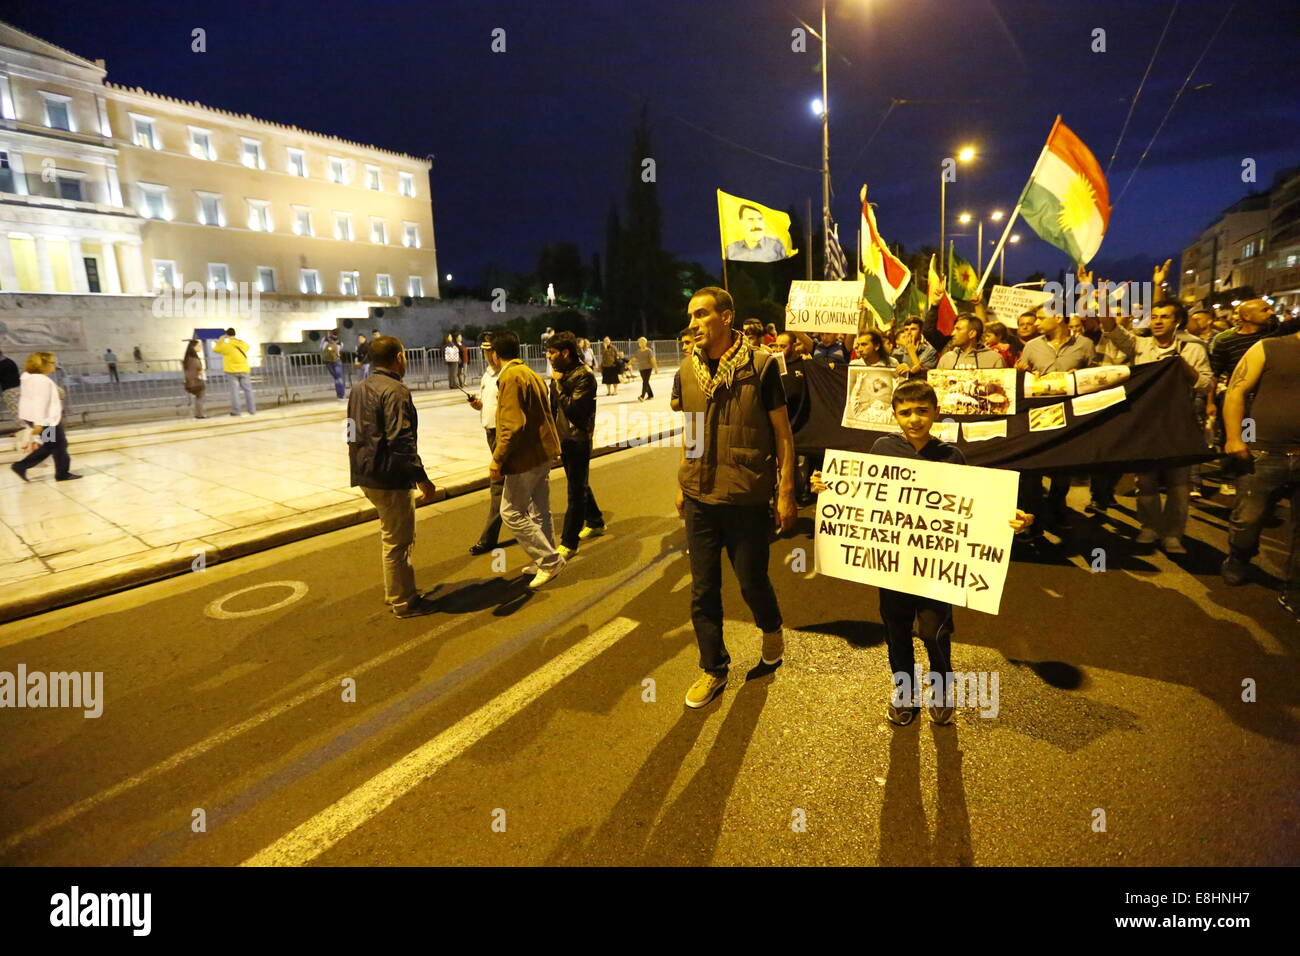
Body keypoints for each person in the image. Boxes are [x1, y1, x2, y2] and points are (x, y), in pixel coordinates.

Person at [810, 380, 1033, 725]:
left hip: (934, 570)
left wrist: (1011, 521)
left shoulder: (950, 455)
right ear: (895, 415)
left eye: (922, 411)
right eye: (906, 412)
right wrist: (829, 486)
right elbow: (862, 494)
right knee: (896, 632)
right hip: (892, 568)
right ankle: (904, 691)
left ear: (935, 413)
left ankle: (942, 691)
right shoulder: (882, 448)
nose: (914, 419)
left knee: (934, 632)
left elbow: (970, 509)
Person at [677, 286, 797, 710]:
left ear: (726, 317)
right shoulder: (686, 371)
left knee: (751, 581)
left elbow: (783, 434)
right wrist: (683, 482)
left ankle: (771, 628)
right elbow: (692, 428)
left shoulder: (762, 366)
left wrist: (786, 492)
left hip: (746, 496)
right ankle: (713, 668)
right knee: (703, 589)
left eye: (702, 314)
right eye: (692, 315)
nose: (694, 323)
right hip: (699, 496)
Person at [1099, 300, 1211, 553]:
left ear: (1177, 322)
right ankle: (1148, 527)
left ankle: (1173, 535)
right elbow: (1111, 329)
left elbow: (1206, 384)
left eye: (1164, 317)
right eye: (1154, 316)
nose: (1157, 321)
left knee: (1178, 484)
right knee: (1146, 482)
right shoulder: (1139, 345)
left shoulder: (1193, 349)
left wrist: (1183, 367)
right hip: (1146, 424)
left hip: (1178, 424)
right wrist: (1101, 300)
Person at [347, 334, 438, 618]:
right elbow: (401, 440)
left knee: (392, 535)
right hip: (390, 476)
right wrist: (422, 477)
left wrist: (359, 463)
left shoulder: (359, 388)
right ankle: (402, 601)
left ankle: (400, 592)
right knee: (398, 540)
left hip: (366, 473)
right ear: (399, 357)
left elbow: (351, 431)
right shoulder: (396, 391)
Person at [1220, 320, 1300, 620]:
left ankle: (1293, 588)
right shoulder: (1269, 347)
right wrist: (1233, 437)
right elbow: (1235, 391)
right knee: (1248, 519)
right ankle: (1239, 557)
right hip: (1265, 453)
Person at [491, 330, 565, 588]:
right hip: (543, 452)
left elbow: (511, 425)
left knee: (510, 511)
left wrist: (497, 459)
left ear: (494, 355)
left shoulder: (510, 376)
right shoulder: (530, 373)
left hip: (527, 456)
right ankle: (544, 558)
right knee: (539, 509)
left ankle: (549, 560)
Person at [1016, 304, 1095, 534]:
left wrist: (1078, 377)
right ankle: (1034, 517)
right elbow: (1021, 381)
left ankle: (1057, 506)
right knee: (1033, 470)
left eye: (1041, 318)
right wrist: (1023, 373)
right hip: (1038, 416)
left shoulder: (1085, 345)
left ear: (1059, 317)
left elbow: (1095, 377)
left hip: (1070, 418)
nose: (1037, 323)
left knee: (1063, 469)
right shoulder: (1032, 346)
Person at [547, 332, 605, 558]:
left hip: (578, 438)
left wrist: (560, 383)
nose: (548, 356)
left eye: (552, 352)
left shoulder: (584, 375)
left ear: (565, 352)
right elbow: (553, 407)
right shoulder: (561, 374)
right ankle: (596, 520)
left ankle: (569, 542)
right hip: (562, 437)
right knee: (578, 483)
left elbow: (576, 411)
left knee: (575, 491)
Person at [11, 351, 80, 482]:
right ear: (43, 365)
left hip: (39, 417)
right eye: (53, 363)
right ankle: (23, 466)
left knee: (54, 445)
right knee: (57, 445)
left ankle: (60, 473)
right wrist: (39, 423)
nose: (55, 365)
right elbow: (39, 402)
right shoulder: (41, 381)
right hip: (45, 419)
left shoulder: (29, 377)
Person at [468, 335, 506, 556]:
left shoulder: (506, 374)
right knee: (513, 487)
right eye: (485, 352)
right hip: (490, 433)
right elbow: (487, 404)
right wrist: (478, 404)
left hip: (503, 435)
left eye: (491, 351)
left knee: (499, 485)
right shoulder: (487, 374)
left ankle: (488, 539)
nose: (489, 356)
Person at [936, 314, 1006, 369]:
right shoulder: (946, 359)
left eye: (958, 329)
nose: (952, 333)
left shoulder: (994, 359)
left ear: (972, 334)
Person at [213, 328, 256, 415]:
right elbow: (247, 346)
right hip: (244, 369)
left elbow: (215, 350)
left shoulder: (226, 345)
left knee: (234, 392)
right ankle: (252, 410)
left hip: (231, 371)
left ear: (227, 335)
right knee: (248, 390)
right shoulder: (241, 343)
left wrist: (220, 341)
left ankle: (236, 411)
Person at [671, 327, 694, 412]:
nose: (683, 347)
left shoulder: (718, 367)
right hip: (695, 418)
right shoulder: (681, 373)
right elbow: (673, 404)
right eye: (683, 343)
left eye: (688, 343)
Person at [182, 340, 207, 418]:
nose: (200, 347)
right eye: (198, 346)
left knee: (197, 398)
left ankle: (198, 414)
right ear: (193, 347)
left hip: (190, 382)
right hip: (196, 381)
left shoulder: (187, 358)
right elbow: (198, 370)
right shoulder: (194, 359)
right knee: (200, 398)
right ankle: (200, 414)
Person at [321, 330, 345, 399]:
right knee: (339, 378)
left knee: (336, 378)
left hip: (328, 362)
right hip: (336, 360)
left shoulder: (325, 340)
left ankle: (339, 394)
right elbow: (339, 351)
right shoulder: (340, 342)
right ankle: (341, 395)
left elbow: (321, 348)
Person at [634, 336, 658, 402]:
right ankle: (650, 395)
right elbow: (634, 358)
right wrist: (628, 364)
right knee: (646, 382)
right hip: (641, 369)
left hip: (648, 368)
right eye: (640, 342)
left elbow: (653, 359)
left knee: (645, 382)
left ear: (645, 343)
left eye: (642, 342)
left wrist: (656, 368)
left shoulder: (649, 351)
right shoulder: (638, 351)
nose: (641, 343)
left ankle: (642, 396)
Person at [0, 349, 20, 420]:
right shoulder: (9, 361)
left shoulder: (3, 364)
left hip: (10, 391)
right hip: (15, 389)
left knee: (17, 412)